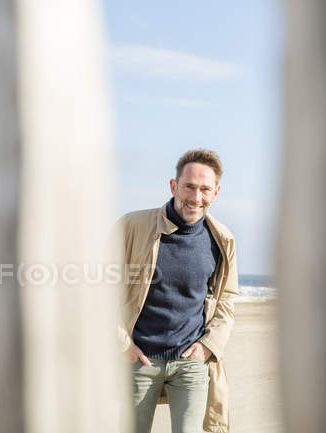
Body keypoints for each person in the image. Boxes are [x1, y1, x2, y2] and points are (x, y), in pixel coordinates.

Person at [114, 149, 238, 433]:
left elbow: (226, 299)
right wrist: (122, 344)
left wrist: (208, 346)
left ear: (216, 192)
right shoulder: (132, 226)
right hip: (139, 359)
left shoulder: (223, 239)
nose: (196, 197)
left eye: (205, 189)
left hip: (191, 364)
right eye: (189, 187)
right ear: (174, 186)